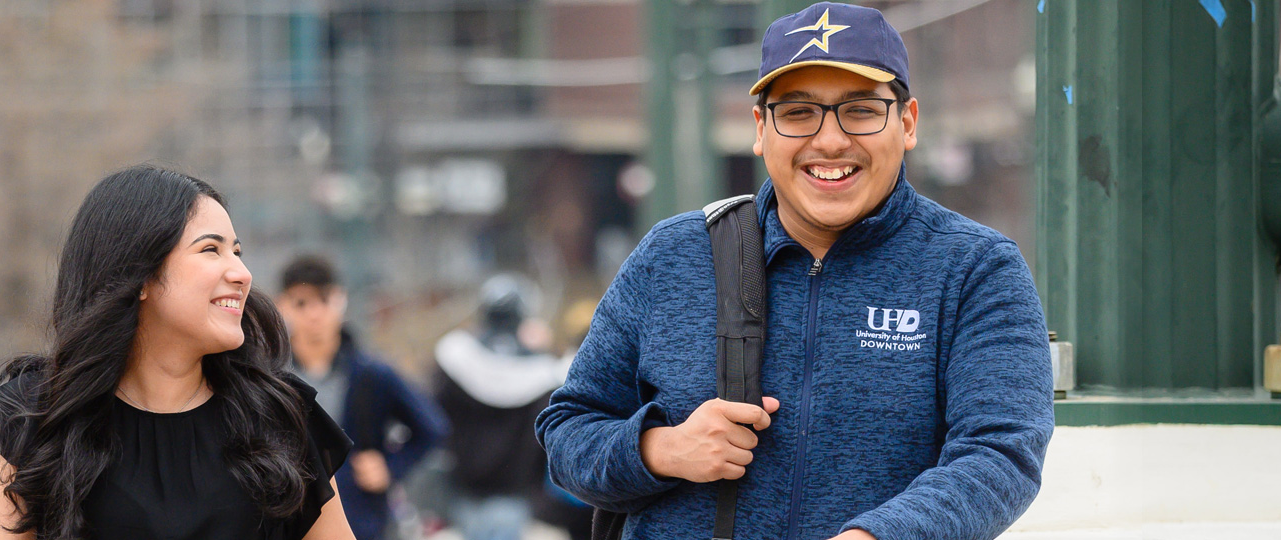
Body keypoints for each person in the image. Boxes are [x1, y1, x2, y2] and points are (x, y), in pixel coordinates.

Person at [535, 3, 1054, 540]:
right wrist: (660, 449)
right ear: (761, 129)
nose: (829, 141)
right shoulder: (672, 254)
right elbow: (568, 430)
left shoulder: (976, 269)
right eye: (799, 112)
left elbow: (1001, 454)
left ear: (907, 122)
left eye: (860, 109)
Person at [0, 165, 356, 540]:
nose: (242, 273)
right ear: (138, 276)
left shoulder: (281, 414)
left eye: (237, 251)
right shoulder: (26, 422)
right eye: (210, 250)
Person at [275, 255, 450, 540]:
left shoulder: (371, 373)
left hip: (362, 519)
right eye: (301, 303)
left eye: (323, 300)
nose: (314, 313)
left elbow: (433, 427)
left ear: (340, 299)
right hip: (290, 520)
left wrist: (390, 468)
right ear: (282, 305)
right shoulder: (271, 376)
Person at [435, 274, 571, 540]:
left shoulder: (455, 358)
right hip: (514, 493)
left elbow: (435, 419)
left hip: (462, 488)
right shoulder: (543, 371)